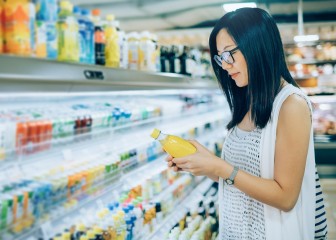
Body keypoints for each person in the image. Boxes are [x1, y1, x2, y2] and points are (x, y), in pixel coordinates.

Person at [166, 7, 328, 240]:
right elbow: (245, 179)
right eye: (220, 57)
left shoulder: (291, 105)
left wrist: (220, 167)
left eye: (229, 53)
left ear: (258, 46)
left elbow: (285, 197)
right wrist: (205, 164)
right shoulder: (249, 100)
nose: (225, 64)